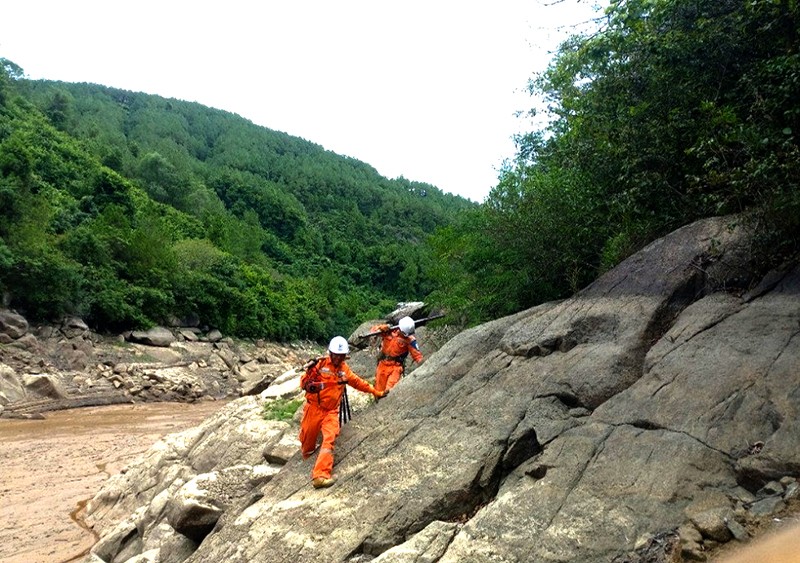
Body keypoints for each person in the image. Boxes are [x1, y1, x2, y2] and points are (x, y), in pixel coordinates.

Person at [298, 336, 387, 489]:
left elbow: (358, 382)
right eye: (336, 355)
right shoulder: (319, 364)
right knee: (307, 444)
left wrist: (375, 391)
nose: (338, 358)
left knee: (330, 438)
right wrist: (309, 382)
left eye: (341, 355)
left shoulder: (344, 370)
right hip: (313, 409)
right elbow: (303, 382)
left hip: (331, 412)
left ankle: (320, 475)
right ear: (331, 353)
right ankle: (307, 459)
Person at [371, 315, 423, 394]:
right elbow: (372, 332)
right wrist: (380, 328)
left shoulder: (410, 340)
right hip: (383, 364)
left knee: (389, 391)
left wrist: (424, 367)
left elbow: (418, 356)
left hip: (396, 367)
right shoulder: (390, 331)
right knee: (378, 391)